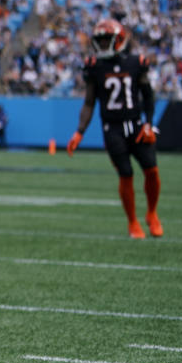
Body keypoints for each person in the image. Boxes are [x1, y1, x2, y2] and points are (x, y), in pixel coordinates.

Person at [67, 18, 162, 238]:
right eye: (99, 41)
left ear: (119, 40)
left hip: (136, 124)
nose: (101, 45)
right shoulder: (94, 66)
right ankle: (132, 222)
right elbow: (89, 102)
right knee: (125, 173)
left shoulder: (136, 62)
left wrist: (149, 123)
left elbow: (148, 96)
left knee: (152, 170)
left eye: (106, 40)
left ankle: (152, 213)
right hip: (113, 127)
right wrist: (79, 132)